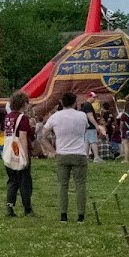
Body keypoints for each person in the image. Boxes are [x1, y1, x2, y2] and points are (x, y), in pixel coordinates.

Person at [44, 92, 90, 222]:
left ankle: (63, 215)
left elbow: (42, 135)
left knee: (63, 185)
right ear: (75, 103)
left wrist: (52, 150)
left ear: (62, 103)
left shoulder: (55, 117)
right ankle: (81, 216)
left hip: (62, 154)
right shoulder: (82, 116)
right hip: (79, 153)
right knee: (80, 185)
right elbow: (85, 129)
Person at [3, 92, 34, 217]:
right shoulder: (23, 118)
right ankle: (27, 208)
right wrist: (25, 155)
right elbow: (22, 137)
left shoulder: (8, 116)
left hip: (9, 152)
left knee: (12, 180)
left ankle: (10, 206)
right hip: (19, 152)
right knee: (24, 181)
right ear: (23, 104)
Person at [83, 92, 105, 163]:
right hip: (91, 126)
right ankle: (96, 157)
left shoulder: (85, 105)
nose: (95, 99)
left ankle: (86, 157)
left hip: (86, 127)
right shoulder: (88, 105)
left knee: (87, 142)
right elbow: (90, 116)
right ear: (89, 97)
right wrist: (96, 125)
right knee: (93, 141)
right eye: (93, 97)